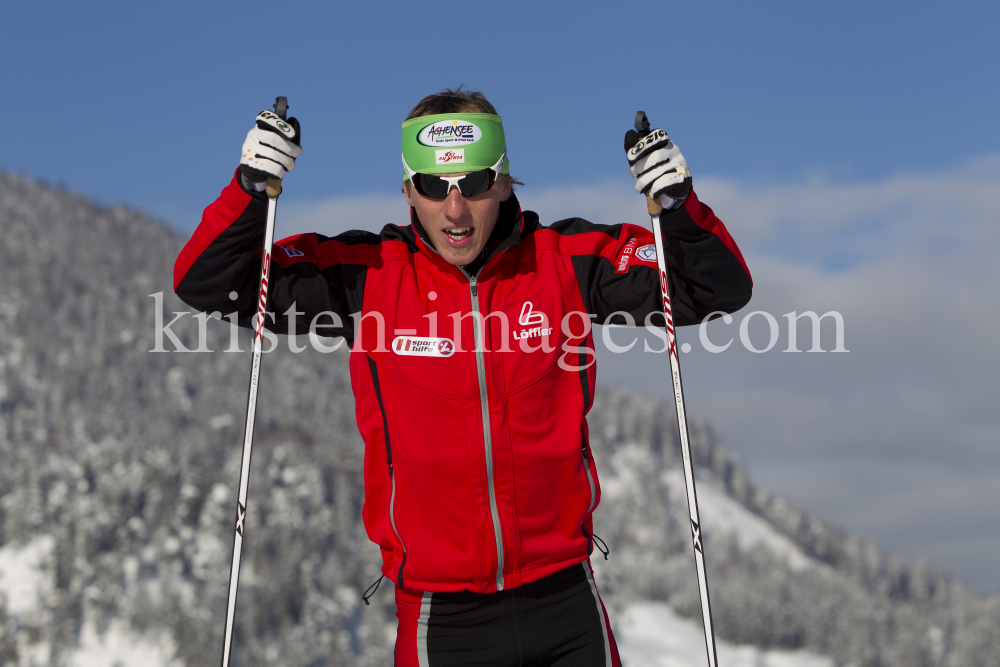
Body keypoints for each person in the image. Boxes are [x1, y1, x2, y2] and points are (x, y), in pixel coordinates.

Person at [174, 87, 751, 667]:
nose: (455, 209)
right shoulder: (365, 277)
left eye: (474, 184)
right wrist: (248, 192)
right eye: (432, 186)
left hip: (564, 605)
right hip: (442, 620)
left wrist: (677, 206)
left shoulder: (564, 261)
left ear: (503, 183)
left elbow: (714, 288)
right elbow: (211, 283)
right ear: (408, 191)